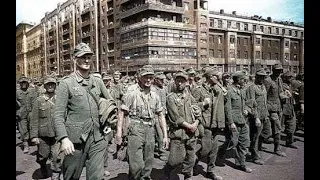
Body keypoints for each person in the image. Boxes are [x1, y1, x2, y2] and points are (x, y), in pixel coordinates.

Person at [53, 43, 113, 180]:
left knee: (96, 177)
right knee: (71, 176)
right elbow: (58, 115)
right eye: (83, 57)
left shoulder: (97, 81)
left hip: (97, 137)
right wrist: (64, 139)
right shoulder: (66, 83)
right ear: (75, 59)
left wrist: (108, 122)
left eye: (89, 57)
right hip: (75, 140)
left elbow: (110, 103)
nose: (86, 60)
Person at [115, 65, 169, 180]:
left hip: (150, 129)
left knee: (148, 163)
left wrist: (165, 136)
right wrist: (119, 133)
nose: (148, 80)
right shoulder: (132, 94)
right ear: (139, 78)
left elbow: (161, 115)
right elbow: (121, 113)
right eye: (145, 77)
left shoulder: (155, 96)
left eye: (151, 77)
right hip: (135, 128)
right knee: (136, 165)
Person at [164, 70, 201, 180]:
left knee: (191, 158)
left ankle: (187, 176)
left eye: (182, 81)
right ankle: (168, 169)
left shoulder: (190, 97)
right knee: (175, 160)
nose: (180, 83)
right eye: (178, 81)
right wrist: (189, 126)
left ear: (186, 82)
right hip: (179, 133)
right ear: (174, 82)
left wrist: (196, 123)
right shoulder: (171, 97)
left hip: (192, 133)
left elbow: (198, 111)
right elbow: (175, 117)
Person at [192, 68, 225, 180]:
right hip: (205, 123)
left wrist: (219, 85)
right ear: (210, 77)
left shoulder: (216, 88)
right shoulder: (199, 89)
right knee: (205, 149)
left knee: (214, 149)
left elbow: (224, 96)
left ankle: (210, 171)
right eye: (216, 76)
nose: (218, 78)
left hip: (215, 123)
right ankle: (194, 163)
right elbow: (192, 105)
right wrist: (203, 104)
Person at [30, 76, 63, 179]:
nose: (50, 86)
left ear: (55, 85)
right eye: (48, 84)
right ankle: (43, 165)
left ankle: (55, 172)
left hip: (57, 133)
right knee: (43, 155)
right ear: (44, 86)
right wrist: (34, 136)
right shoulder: (39, 100)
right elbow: (34, 119)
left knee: (56, 155)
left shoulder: (61, 99)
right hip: (43, 134)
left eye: (52, 84)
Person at [224, 71, 252, 173]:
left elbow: (246, 103)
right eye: (243, 80)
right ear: (238, 80)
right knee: (233, 142)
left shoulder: (242, 91)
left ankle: (241, 164)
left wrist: (246, 110)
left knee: (244, 142)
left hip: (243, 120)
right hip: (234, 121)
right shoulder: (230, 91)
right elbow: (228, 108)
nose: (245, 81)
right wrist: (231, 122)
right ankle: (220, 152)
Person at [245, 68, 271, 165]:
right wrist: (256, 117)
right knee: (255, 136)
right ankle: (254, 156)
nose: (262, 78)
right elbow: (251, 103)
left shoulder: (263, 86)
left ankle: (255, 150)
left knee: (267, 133)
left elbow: (264, 102)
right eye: (260, 76)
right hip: (256, 115)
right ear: (256, 77)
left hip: (264, 114)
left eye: (263, 77)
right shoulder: (252, 87)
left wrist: (267, 114)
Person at [264, 64, 287, 157]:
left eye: (280, 70)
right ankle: (277, 149)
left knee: (275, 128)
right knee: (276, 128)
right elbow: (264, 95)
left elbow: (280, 91)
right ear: (273, 70)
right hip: (270, 108)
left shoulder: (279, 79)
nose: (279, 72)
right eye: (277, 70)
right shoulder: (268, 80)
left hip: (278, 107)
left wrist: (284, 95)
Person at [151, 72, 168, 161]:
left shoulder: (164, 89)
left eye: (163, 79)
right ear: (156, 80)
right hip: (156, 114)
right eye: (161, 80)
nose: (163, 81)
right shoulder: (152, 90)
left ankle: (159, 149)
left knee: (161, 132)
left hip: (163, 114)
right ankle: (161, 151)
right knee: (159, 133)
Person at [280, 71, 298, 149]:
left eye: (292, 77)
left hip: (290, 108)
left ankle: (289, 142)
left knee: (292, 126)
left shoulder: (291, 85)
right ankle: (276, 145)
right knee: (278, 127)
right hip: (282, 108)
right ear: (285, 78)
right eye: (289, 77)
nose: (291, 78)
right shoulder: (281, 85)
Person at [16, 76, 34, 153]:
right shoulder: (17, 93)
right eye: (22, 83)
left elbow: (35, 102)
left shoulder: (32, 91)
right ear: (20, 84)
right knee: (23, 130)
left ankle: (30, 140)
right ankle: (25, 144)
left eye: (25, 82)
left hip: (31, 113)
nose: (23, 84)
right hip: (21, 114)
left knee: (31, 127)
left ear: (27, 83)